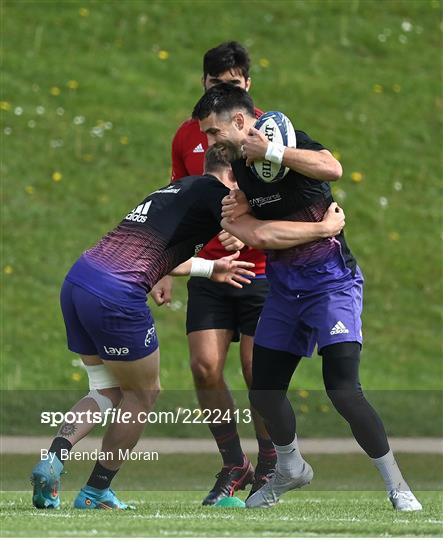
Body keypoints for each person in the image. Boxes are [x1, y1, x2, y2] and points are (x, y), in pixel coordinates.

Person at [30, 143, 345, 511]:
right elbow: (261, 237)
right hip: (117, 293)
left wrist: (211, 268)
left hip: (78, 281)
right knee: (143, 394)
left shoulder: (174, 190)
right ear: (232, 174)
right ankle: (97, 490)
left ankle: (53, 458)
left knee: (106, 388)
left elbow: (161, 254)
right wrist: (323, 228)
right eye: (246, 176)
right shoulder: (218, 195)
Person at [192, 83, 422, 512]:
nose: (208, 142)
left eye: (212, 131)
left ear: (239, 122)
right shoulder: (239, 168)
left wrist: (275, 156)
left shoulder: (287, 141)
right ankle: (291, 468)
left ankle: (398, 484)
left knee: (343, 390)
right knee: (263, 392)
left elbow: (331, 168)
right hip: (283, 290)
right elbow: (261, 234)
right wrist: (312, 227)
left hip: (332, 284)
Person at [150, 41, 274, 504]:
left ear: (247, 86)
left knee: (256, 369)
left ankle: (270, 463)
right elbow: (177, 198)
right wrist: (164, 263)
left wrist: (254, 231)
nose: (224, 94)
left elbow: (290, 197)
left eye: (233, 86)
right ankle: (233, 464)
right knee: (204, 368)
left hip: (262, 269)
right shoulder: (188, 135)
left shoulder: (268, 130)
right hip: (209, 269)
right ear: (204, 83)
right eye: (216, 85)